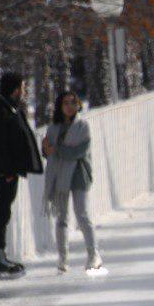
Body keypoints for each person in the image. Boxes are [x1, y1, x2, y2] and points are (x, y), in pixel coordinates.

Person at [0, 72, 43, 277]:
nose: (24, 92)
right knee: (0, 211)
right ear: (15, 89)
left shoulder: (9, 109)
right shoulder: (0, 111)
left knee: (4, 211)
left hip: (10, 171)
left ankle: (0, 253)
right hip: (4, 173)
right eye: (22, 88)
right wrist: (7, 169)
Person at [42, 91, 101, 273]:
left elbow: (77, 152)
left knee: (82, 215)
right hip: (59, 177)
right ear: (60, 106)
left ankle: (93, 254)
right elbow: (47, 152)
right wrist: (46, 149)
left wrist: (56, 149)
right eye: (66, 103)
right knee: (61, 218)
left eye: (73, 103)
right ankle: (63, 257)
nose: (69, 106)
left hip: (78, 175)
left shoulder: (83, 126)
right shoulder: (53, 128)